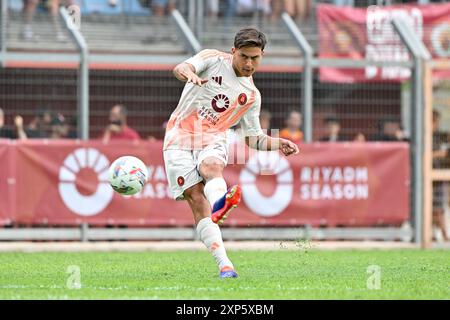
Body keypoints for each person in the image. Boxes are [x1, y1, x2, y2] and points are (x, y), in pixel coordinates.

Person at [163, 27, 299, 278]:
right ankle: (225, 264)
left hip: (213, 136)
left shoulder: (251, 96)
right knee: (195, 197)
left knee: (211, 167)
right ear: (233, 51)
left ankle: (219, 204)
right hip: (179, 135)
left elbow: (252, 138)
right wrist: (188, 73)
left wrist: (278, 142)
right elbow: (180, 68)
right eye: (244, 56)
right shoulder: (212, 59)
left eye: (254, 58)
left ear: (262, 56)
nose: (249, 63)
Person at [432, 110, 449, 241]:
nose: (436, 124)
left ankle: (443, 234)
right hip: (425, 178)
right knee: (432, 208)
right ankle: (437, 234)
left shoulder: (440, 136)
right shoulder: (423, 137)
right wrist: (438, 154)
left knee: (439, 207)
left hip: (438, 176)